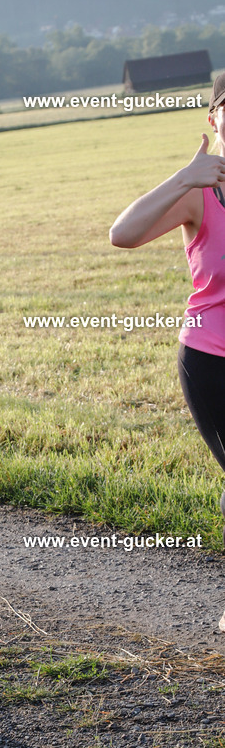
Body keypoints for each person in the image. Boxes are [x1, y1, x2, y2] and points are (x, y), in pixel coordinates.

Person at [110, 72, 225, 627]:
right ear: (213, 120)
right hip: (212, 361)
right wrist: (183, 177)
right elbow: (123, 234)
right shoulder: (201, 195)